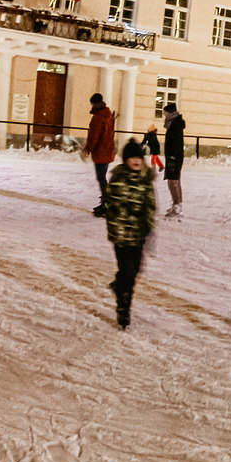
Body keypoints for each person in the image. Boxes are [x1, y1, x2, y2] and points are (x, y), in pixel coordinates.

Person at [103, 139, 156, 329]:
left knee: (135, 271)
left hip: (138, 234)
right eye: (132, 158)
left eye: (139, 158)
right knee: (127, 270)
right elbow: (112, 203)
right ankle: (123, 308)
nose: (136, 161)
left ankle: (119, 287)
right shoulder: (119, 178)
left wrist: (149, 225)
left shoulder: (146, 180)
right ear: (125, 160)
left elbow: (150, 205)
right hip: (121, 234)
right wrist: (121, 215)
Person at [85, 93, 117, 214]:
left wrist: (89, 147)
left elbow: (94, 134)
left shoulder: (99, 116)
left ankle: (107, 203)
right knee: (102, 177)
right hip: (108, 149)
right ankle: (106, 202)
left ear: (96, 103)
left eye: (92, 103)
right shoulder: (108, 114)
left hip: (101, 150)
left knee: (101, 178)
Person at [162, 103, 186, 218]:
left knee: (172, 181)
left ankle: (177, 206)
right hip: (175, 156)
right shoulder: (176, 123)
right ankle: (177, 204)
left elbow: (175, 142)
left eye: (165, 113)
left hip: (174, 156)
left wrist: (172, 155)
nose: (164, 116)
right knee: (175, 180)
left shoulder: (174, 125)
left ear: (170, 113)